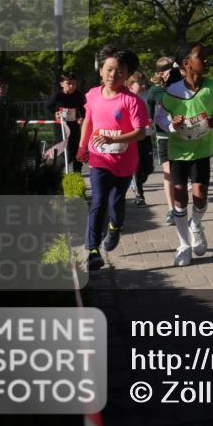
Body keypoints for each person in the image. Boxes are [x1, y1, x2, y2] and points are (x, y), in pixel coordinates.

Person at [76, 46, 148, 271]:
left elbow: (140, 132)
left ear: (127, 75)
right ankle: (92, 250)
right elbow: (88, 121)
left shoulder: (132, 101)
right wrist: (82, 146)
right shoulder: (92, 95)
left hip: (124, 162)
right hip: (99, 158)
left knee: (116, 202)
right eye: (109, 69)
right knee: (98, 200)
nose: (112, 75)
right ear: (100, 70)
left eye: (119, 71)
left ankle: (115, 227)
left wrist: (112, 138)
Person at [155, 43, 213, 267]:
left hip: (202, 149)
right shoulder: (172, 91)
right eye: (201, 57)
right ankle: (184, 245)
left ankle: (196, 225)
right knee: (180, 198)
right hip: (178, 151)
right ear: (186, 63)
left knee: (200, 195)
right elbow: (160, 118)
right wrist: (173, 125)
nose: (206, 60)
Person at [146, 57, 181, 226]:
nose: (174, 73)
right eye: (170, 70)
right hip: (164, 136)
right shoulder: (154, 91)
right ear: (161, 73)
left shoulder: (182, 87)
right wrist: (149, 122)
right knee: (168, 173)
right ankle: (171, 209)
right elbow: (149, 113)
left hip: (181, 136)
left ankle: (180, 206)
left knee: (179, 173)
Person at [47, 70, 86, 173]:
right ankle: (55, 170)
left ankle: (77, 173)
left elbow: (82, 109)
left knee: (77, 148)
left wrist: (82, 117)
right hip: (61, 126)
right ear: (62, 84)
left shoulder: (78, 95)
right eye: (69, 83)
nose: (72, 86)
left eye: (74, 84)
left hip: (74, 125)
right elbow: (48, 107)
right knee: (65, 150)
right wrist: (55, 113)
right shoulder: (57, 95)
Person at [125, 71, 155, 207]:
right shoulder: (126, 98)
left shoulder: (147, 96)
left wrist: (152, 120)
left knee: (148, 169)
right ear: (131, 85)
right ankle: (139, 195)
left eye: (144, 83)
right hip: (133, 136)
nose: (143, 86)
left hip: (146, 135)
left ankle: (135, 182)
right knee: (136, 166)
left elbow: (154, 112)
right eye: (140, 84)